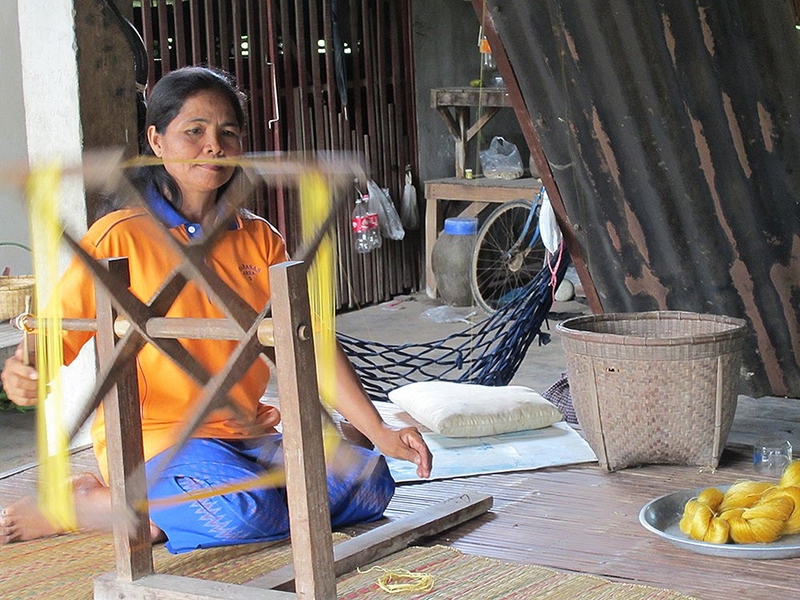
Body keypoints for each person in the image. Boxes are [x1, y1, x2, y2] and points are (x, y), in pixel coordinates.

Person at [0, 66, 432, 553]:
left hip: (247, 434)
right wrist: (25, 372)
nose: (214, 145)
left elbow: (309, 346)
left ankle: (163, 515)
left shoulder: (260, 238)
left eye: (228, 132)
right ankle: (88, 502)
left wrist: (379, 429)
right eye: (194, 131)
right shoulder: (118, 237)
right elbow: (51, 339)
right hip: (162, 444)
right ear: (156, 141)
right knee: (240, 515)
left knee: (369, 481)